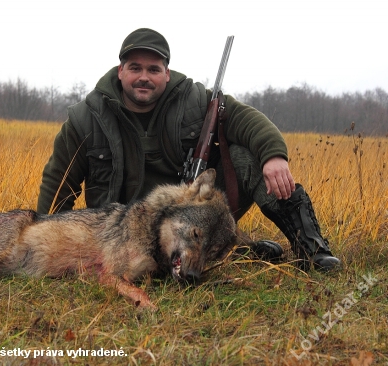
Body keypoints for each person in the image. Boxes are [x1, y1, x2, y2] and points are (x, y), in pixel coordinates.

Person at [37, 28, 340, 272]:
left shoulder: (194, 100)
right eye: (135, 68)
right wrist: (42, 235)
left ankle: (310, 249)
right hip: (123, 235)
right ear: (120, 71)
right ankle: (239, 251)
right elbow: (59, 179)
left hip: (193, 223)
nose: (144, 76)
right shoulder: (86, 117)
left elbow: (243, 118)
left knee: (246, 159)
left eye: (154, 69)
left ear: (167, 74)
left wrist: (274, 155)